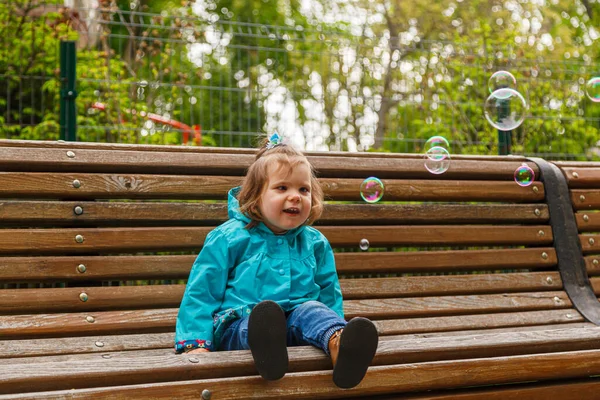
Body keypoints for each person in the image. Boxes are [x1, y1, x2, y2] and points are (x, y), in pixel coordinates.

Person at [175, 133, 379, 389]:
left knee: (312, 311)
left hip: (296, 325)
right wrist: (195, 343)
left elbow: (329, 293)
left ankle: (340, 345)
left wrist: (332, 322)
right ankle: (268, 351)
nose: (295, 196)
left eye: (303, 189)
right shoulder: (229, 238)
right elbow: (201, 292)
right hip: (238, 324)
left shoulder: (315, 243)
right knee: (256, 323)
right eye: (282, 188)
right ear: (255, 196)